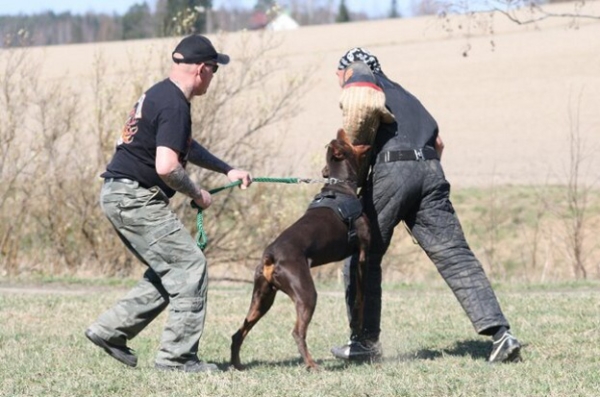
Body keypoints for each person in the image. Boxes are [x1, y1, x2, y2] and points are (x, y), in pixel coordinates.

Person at [330, 48, 522, 364]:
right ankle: (502, 335)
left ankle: (363, 342)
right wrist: (418, 178)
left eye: (338, 76)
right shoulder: (405, 95)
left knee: (361, 251)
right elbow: (439, 143)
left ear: (346, 69)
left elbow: (359, 99)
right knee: (454, 254)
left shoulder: (360, 73)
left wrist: (355, 168)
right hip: (431, 170)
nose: (339, 81)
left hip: (394, 169)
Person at [85, 34, 252, 373]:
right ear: (203, 69)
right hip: (134, 198)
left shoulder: (160, 94)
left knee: (172, 270)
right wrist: (197, 193)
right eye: (215, 71)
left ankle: (110, 331)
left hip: (120, 194)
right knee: (190, 267)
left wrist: (226, 169)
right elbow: (167, 165)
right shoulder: (175, 104)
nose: (213, 78)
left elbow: (183, 145)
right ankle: (177, 360)